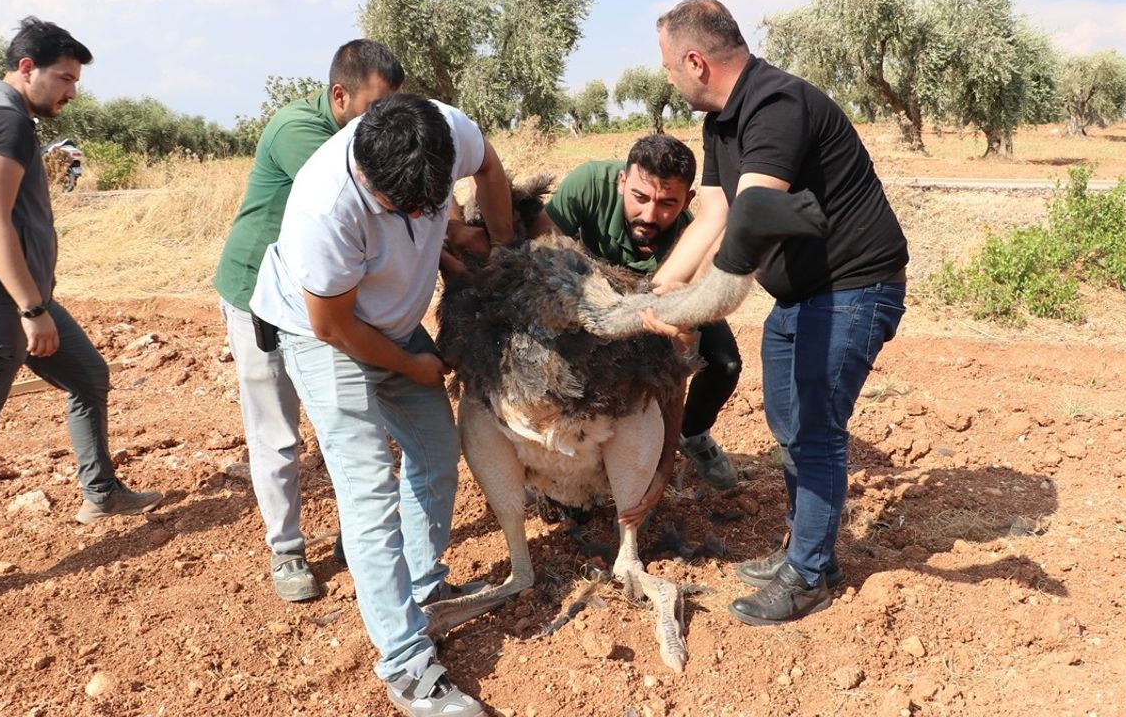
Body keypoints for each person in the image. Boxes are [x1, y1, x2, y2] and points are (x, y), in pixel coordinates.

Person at [646, 0, 909, 626]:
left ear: (694, 60)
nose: (667, 78)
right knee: (789, 422)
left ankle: (811, 574)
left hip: (852, 289)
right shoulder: (720, 124)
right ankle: (805, 550)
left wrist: (695, 305)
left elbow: (754, 219)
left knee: (814, 427)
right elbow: (712, 214)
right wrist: (663, 285)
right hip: (799, 296)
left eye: (667, 66)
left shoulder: (776, 105)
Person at [250, 92, 511, 717]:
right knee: (368, 484)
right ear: (366, 176)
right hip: (325, 334)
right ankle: (406, 664)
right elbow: (335, 328)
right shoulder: (325, 207)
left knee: (436, 451)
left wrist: (503, 251)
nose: (421, 218)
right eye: (402, 210)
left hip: (390, 322)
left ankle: (419, 590)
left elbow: (493, 172)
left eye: (433, 204)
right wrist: (417, 364)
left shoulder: (445, 128)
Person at [0, 17, 163, 610]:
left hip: (19, 298)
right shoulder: (5, 120)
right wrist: (30, 308)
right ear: (27, 68)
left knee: (89, 377)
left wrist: (38, 303)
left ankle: (101, 492)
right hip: (1, 305)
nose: (71, 91)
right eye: (64, 78)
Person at [213, 39, 402, 603]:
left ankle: (355, 534)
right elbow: (374, 202)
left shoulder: (356, 131)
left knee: (351, 417)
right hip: (259, 296)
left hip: (322, 296)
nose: (384, 124)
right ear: (339, 95)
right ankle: (287, 551)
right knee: (277, 430)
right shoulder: (303, 134)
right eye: (375, 110)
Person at [528, 134, 742, 513]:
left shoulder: (692, 238)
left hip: (657, 308)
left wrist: (661, 471)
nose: (649, 215)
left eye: (667, 204)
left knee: (725, 363)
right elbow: (545, 253)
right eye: (640, 198)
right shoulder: (587, 185)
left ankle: (692, 436)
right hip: (589, 301)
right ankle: (550, 465)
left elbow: (677, 360)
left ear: (688, 201)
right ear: (622, 182)